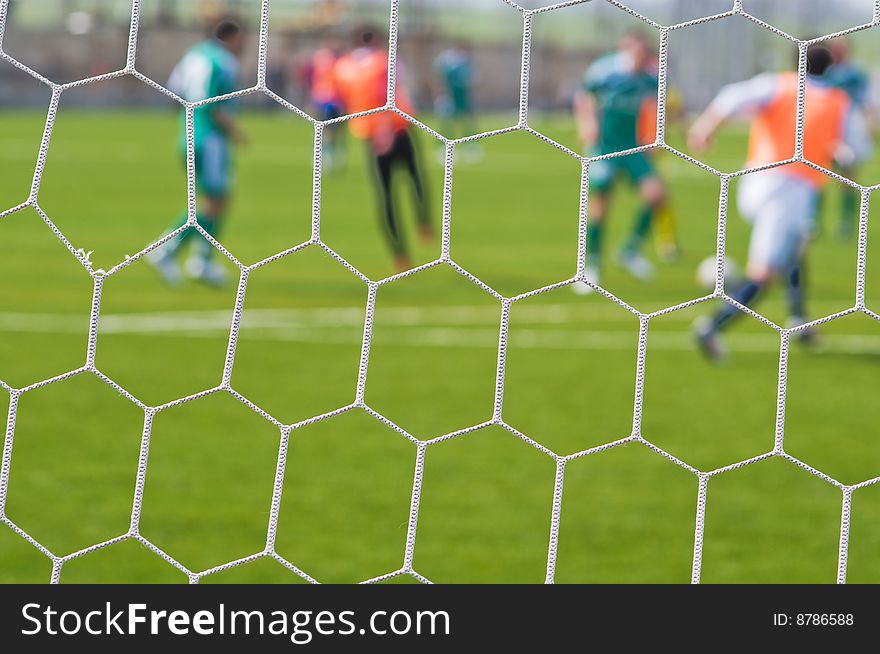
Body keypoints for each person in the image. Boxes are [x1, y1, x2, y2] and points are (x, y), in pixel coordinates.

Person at [687, 45, 870, 362]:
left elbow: (731, 97)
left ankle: (799, 320)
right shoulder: (839, 102)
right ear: (832, 66)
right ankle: (712, 327)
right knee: (764, 273)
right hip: (789, 190)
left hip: (756, 180)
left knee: (797, 247)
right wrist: (841, 159)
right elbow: (859, 148)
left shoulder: (777, 84)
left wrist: (705, 128)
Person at [150, 19, 246, 287]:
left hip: (189, 133)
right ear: (231, 36)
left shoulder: (193, 55)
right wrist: (235, 131)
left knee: (217, 199)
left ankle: (202, 260)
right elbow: (213, 103)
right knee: (213, 202)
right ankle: (168, 250)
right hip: (211, 138)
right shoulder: (224, 60)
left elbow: (175, 90)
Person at [572, 30, 666, 295]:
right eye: (634, 52)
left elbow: (658, 105)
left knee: (656, 195)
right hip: (605, 146)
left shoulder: (651, 78)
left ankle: (630, 250)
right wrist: (587, 123)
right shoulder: (604, 72)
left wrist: (656, 134)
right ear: (624, 49)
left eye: (644, 54)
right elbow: (583, 97)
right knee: (601, 202)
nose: (639, 58)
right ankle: (591, 266)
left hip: (634, 147)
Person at [333, 26, 433, 272]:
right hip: (396, 128)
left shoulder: (342, 67)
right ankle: (424, 222)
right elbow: (385, 94)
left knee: (386, 195)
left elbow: (341, 100)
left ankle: (400, 254)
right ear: (377, 40)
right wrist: (385, 129)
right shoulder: (384, 61)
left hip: (368, 134)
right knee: (415, 177)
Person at [825, 38, 874, 240]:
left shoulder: (855, 73)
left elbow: (866, 100)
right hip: (826, 125)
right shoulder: (824, 72)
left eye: (841, 48)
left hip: (849, 127)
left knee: (848, 174)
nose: (838, 52)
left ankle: (846, 221)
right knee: (818, 170)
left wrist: (870, 122)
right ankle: (811, 221)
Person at [433, 42, 480, 161]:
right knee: (446, 122)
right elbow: (438, 78)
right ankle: (444, 147)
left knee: (467, 120)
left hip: (462, 97)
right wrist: (441, 93)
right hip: (448, 96)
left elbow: (472, 80)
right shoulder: (446, 61)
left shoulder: (466, 62)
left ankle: (469, 146)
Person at [307, 35, 346, 171]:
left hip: (337, 100)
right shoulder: (322, 57)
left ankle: (337, 157)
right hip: (323, 99)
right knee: (324, 130)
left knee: (338, 131)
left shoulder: (342, 59)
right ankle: (322, 158)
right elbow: (311, 75)